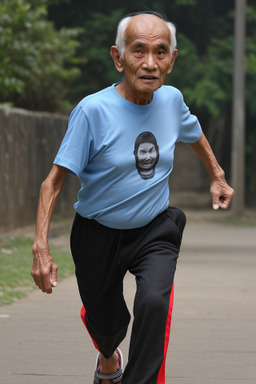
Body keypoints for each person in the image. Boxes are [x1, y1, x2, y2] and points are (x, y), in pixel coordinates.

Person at [31, 11, 234, 384]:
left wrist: (217, 175)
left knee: (154, 303)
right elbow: (53, 182)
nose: (150, 63)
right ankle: (108, 357)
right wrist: (40, 248)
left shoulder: (171, 101)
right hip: (96, 232)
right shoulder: (93, 111)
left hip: (154, 228)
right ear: (118, 57)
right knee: (105, 324)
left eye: (161, 52)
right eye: (138, 51)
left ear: (172, 61)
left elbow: (193, 132)